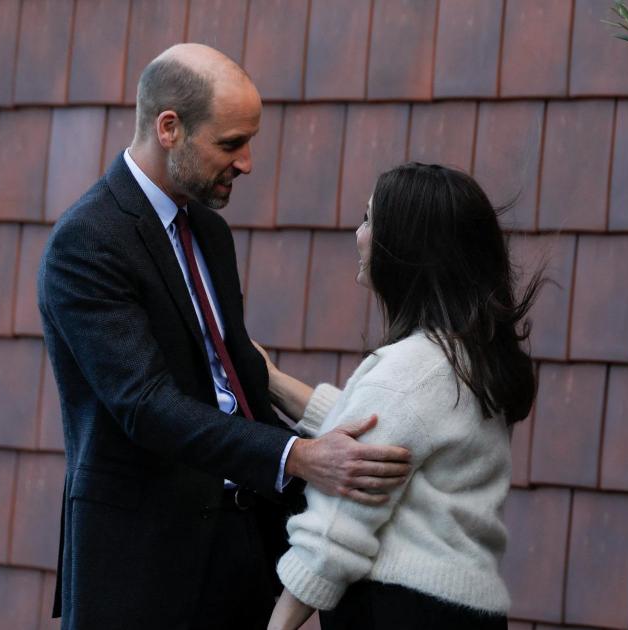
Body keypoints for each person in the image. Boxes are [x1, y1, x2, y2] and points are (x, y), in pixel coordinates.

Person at [36, 43, 411, 630]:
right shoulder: (87, 242)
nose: (247, 162)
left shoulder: (209, 232)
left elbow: (235, 377)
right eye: (231, 143)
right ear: (169, 128)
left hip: (242, 551)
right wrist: (300, 457)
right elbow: (145, 405)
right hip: (145, 565)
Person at [259, 163, 541, 630]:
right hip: (467, 610)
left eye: (369, 219)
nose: (358, 233)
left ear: (405, 248)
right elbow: (394, 430)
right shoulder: (466, 356)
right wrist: (271, 380)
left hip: (397, 610)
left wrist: (280, 623)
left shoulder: (408, 372)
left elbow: (335, 528)